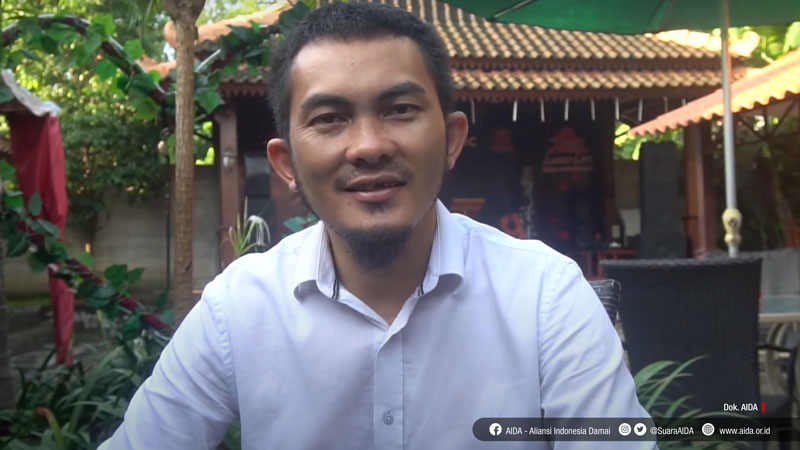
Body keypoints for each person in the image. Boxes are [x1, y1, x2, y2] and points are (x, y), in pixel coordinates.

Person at [101, 3, 654, 449]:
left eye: (400, 110)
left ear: (453, 139)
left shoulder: (545, 296)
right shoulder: (239, 307)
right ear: (286, 164)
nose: (368, 146)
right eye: (329, 118)